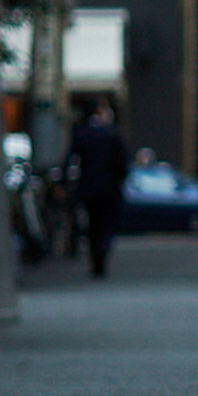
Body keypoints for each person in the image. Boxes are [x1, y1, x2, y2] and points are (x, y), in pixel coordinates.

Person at [67, 100, 130, 278]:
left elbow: (70, 161)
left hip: (87, 188)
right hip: (109, 188)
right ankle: (102, 252)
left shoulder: (80, 135)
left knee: (92, 224)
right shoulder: (112, 135)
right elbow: (122, 162)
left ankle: (95, 256)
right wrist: (120, 179)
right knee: (106, 224)